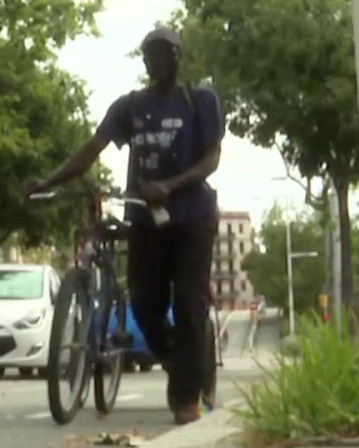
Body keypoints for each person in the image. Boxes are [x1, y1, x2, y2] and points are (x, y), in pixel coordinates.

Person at [25, 27, 224, 425]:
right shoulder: (130, 106)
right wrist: (48, 181)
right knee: (145, 306)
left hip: (192, 220)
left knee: (188, 303)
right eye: (150, 55)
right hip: (145, 220)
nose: (157, 61)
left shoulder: (200, 100)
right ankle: (180, 361)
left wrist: (169, 185)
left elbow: (211, 158)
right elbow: (92, 148)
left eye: (165, 54)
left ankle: (186, 397)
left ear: (178, 57)